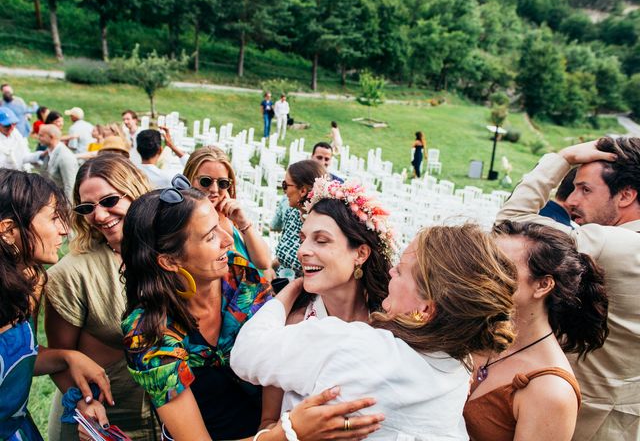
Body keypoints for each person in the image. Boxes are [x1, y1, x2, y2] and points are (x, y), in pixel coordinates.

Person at [121, 178, 384, 441]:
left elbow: (275, 335)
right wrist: (290, 432)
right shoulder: (147, 332)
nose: (227, 240)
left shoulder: (237, 273)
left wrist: (298, 286)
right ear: (170, 260)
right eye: (210, 236)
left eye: (220, 226)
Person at [232, 223, 518, 440]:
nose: (392, 271)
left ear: (426, 309)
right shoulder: (457, 370)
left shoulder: (355, 346)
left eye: (403, 271)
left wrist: (289, 291)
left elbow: (247, 353)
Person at [496, 137, 640, 441]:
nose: (572, 200)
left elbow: (508, 229)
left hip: (578, 412)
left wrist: (562, 158)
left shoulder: (609, 244)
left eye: (585, 189)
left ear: (625, 195)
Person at [260, 176, 394, 427]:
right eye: (303, 239)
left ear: (361, 253)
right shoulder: (293, 324)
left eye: (321, 240)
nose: (302, 251)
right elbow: (268, 421)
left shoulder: (389, 326)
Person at [45, 154, 157, 441]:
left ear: (135, 193)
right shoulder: (71, 273)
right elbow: (60, 358)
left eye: (109, 201)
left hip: (170, 421)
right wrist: (84, 404)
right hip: (102, 425)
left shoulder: (170, 254)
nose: (99, 215)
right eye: (87, 207)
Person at [464, 220, 609, 441]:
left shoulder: (551, 390)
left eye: (500, 266)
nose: (481, 273)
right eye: (484, 261)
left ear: (542, 285)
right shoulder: (475, 330)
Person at [0, 169, 113, 441]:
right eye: (53, 218)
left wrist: (67, 357)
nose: (64, 229)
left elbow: (16, 357)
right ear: (8, 230)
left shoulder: (30, 281)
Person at [183, 146, 271, 270]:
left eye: (222, 183)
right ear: (189, 179)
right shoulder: (185, 221)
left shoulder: (231, 215)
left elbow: (265, 263)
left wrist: (243, 221)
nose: (214, 189)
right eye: (205, 181)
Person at [275, 159, 326, 277]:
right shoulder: (292, 213)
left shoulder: (322, 226)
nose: (284, 192)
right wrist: (268, 268)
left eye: (285, 186)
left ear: (302, 190)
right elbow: (282, 257)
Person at [37, 124, 79, 199]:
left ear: (51, 137)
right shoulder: (49, 151)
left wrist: (66, 209)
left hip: (61, 203)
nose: (38, 138)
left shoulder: (65, 157)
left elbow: (70, 187)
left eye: (41, 136)